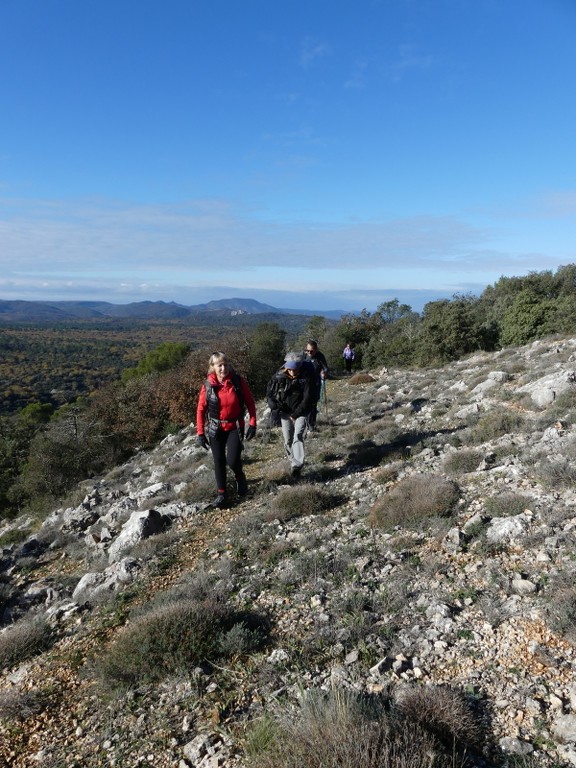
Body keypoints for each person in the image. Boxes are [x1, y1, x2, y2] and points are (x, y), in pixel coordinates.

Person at [196, 352, 257, 508]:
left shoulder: (237, 381)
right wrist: (200, 432)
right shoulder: (208, 385)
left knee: (232, 460)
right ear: (213, 367)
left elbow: (250, 402)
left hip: (235, 426)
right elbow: (201, 410)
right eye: (219, 365)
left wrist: (253, 423)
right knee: (218, 461)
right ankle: (222, 494)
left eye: (225, 364)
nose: (223, 368)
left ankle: (239, 476)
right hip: (216, 428)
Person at [266, 351, 315, 477]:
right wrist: (272, 404)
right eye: (290, 369)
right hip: (285, 413)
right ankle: (293, 460)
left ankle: (297, 466)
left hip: (302, 412)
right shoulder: (278, 377)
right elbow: (270, 393)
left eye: (295, 369)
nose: (293, 371)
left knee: (298, 436)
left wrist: (296, 414)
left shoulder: (306, 377)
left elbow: (308, 398)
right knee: (287, 439)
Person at [303, 340, 329, 429]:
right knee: (305, 402)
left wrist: (324, 372)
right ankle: (305, 423)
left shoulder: (320, 356)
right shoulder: (303, 355)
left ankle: (311, 424)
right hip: (304, 384)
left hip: (315, 383)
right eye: (307, 350)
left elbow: (325, 368)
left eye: (311, 351)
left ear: (316, 350)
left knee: (313, 404)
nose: (309, 352)